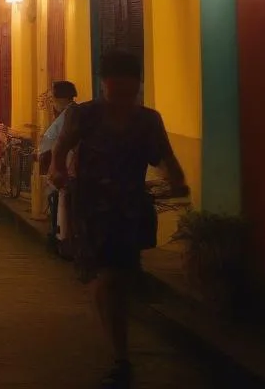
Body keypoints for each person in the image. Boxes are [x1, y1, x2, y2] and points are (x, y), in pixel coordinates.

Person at [51, 51, 187, 388]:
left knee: (118, 278)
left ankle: (119, 345)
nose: (124, 89)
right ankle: (121, 356)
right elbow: (62, 147)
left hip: (129, 207)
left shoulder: (148, 120)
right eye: (117, 81)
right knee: (110, 277)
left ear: (138, 84)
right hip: (93, 207)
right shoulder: (85, 115)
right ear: (105, 83)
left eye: (130, 82)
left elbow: (165, 156)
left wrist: (178, 181)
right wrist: (56, 169)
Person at [38, 80, 78, 255]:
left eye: (53, 97)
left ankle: (63, 239)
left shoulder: (70, 114)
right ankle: (60, 236)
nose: (51, 101)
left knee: (62, 205)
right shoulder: (68, 114)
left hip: (65, 167)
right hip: (62, 166)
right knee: (58, 203)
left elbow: (57, 141)